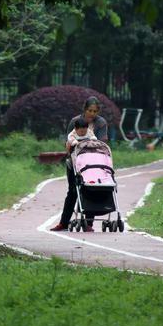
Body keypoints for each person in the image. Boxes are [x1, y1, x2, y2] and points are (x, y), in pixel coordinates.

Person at [51, 96, 109, 232]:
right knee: (72, 192)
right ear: (84, 109)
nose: (92, 114)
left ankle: (88, 223)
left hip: (93, 163)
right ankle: (63, 223)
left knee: (91, 189)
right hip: (75, 162)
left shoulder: (100, 123)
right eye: (90, 110)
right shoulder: (75, 121)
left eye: (95, 111)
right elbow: (68, 141)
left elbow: (101, 143)